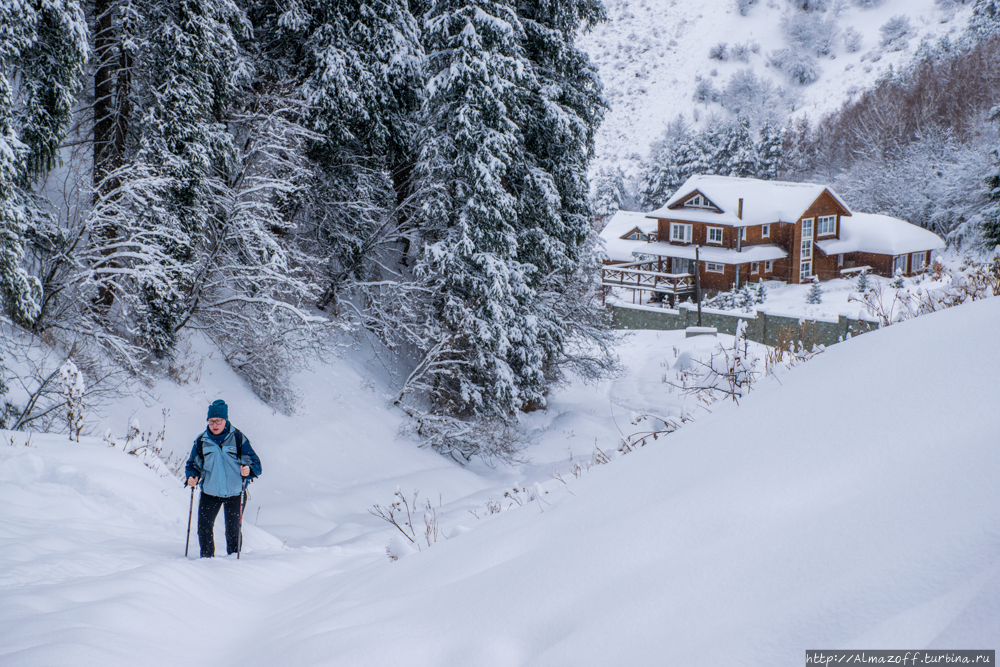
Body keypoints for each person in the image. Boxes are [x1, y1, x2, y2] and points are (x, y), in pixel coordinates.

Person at [185, 399, 262, 558]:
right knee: (204, 527)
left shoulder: (238, 439)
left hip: (235, 492)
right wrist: (192, 476)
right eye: (211, 421)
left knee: (233, 529)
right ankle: (206, 560)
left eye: (218, 421)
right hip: (210, 492)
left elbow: (256, 464)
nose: (214, 424)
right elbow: (193, 464)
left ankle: (234, 560)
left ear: (225, 420)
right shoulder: (201, 441)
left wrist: (249, 470)